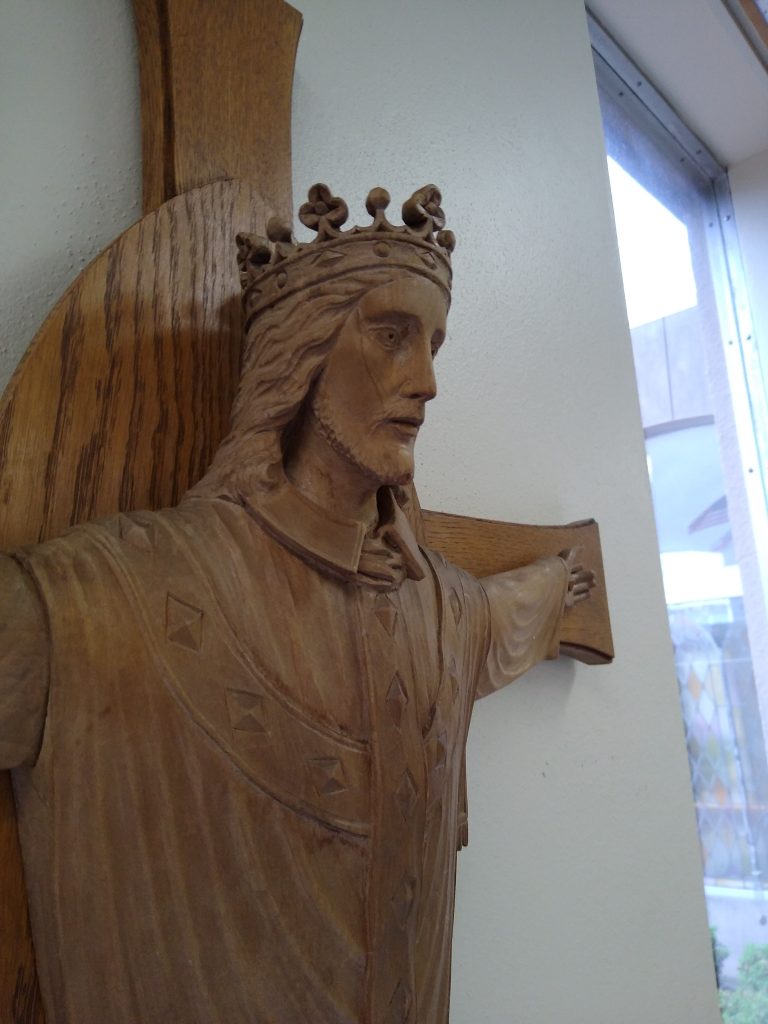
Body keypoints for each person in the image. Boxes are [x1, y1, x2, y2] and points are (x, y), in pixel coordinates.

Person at [0, 184, 593, 1023]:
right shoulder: (120, 593)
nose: (426, 383)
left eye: (433, 345)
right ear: (301, 355)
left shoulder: (438, 608)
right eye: (390, 336)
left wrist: (561, 578)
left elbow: (506, 616)